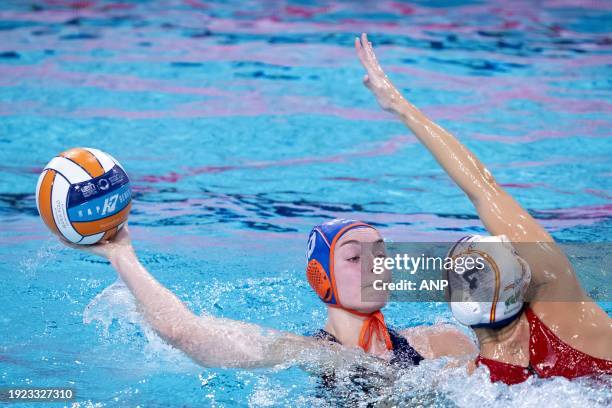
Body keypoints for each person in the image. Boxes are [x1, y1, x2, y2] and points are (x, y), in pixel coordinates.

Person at [354, 33, 612, 384]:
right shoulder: (564, 311)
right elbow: (482, 186)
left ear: (452, 300)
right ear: (524, 282)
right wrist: (399, 104)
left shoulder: (469, 379)